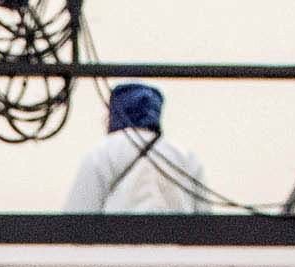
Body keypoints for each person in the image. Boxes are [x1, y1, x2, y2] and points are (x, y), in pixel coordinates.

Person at [62, 83, 205, 216]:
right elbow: (205, 221)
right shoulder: (186, 156)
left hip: (117, 239)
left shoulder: (101, 153)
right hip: (176, 239)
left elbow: (78, 214)